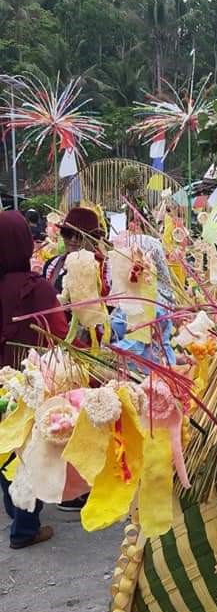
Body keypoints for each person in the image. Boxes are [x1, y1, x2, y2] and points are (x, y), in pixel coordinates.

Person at [0, 211, 68, 549]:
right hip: (29, 382)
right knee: (29, 451)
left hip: (1, 385)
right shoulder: (35, 288)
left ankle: (15, 509)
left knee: (5, 447)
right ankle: (25, 529)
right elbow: (59, 332)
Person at [44, 206, 110, 296]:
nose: (73, 239)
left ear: (94, 240)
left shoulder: (106, 270)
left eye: (80, 235)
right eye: (68, 233)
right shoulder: (52, 265)